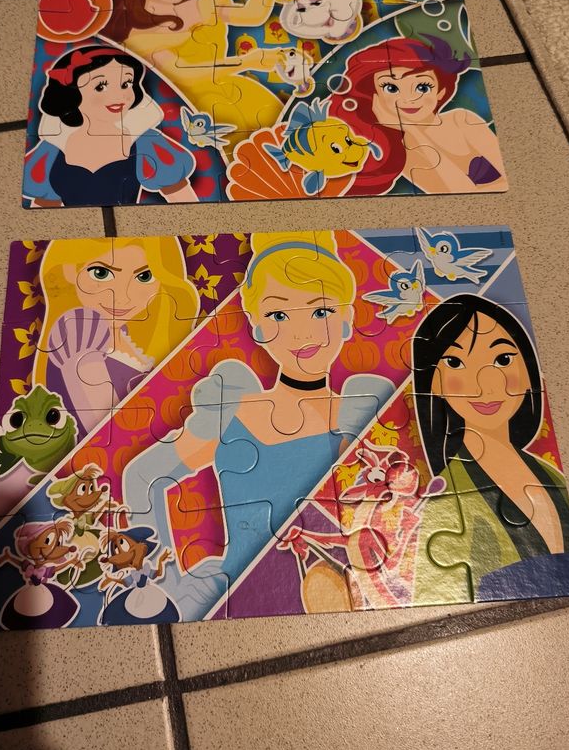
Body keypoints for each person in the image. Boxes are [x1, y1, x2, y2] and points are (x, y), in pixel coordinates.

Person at [122, 231, 395, 596]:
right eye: (279, 314)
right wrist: (160, 581)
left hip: (337, 594)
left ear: (347, 316)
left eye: (321, 311)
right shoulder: (234, 405)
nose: (301, 332)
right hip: (233, 595)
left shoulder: (360, 409)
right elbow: (142, 477)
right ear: (257, 325)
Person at [411, 294, 569, 600]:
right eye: (455, 362)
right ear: (434, 383)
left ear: (528, 369)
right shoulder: (447, 502)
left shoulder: (553, 476)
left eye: (503, 359)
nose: (485, 384)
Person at [101, 0, 307, 156]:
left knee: (284, 144)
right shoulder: (135, 37)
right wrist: (246, 61)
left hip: (237, 92)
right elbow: (183, 73)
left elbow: (252, 15)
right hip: (192, 111)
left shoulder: (198, 7)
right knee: (238, 156)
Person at [32, 236, 200, 434]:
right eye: (101, 273)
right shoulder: (78, 328)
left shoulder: (128, 334)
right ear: (70, 270)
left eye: (144, 276)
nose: (123, 296)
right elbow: (111, 429)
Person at [329, 36, 507, 195]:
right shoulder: (401, 155)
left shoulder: (462, 119)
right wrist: (411, 131)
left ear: (440, 91)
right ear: (375, 96)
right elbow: (461, 193)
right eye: (391, 88)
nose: (409, 98)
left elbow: (507, 178)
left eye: (422, 87)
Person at [23, 45, 198, 206]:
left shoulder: (146, 142)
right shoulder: (51, 151)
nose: (119, 96)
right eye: (101, 86)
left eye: (126, 84)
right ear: (71, 95)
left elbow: (184, 201)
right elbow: (43, 212)